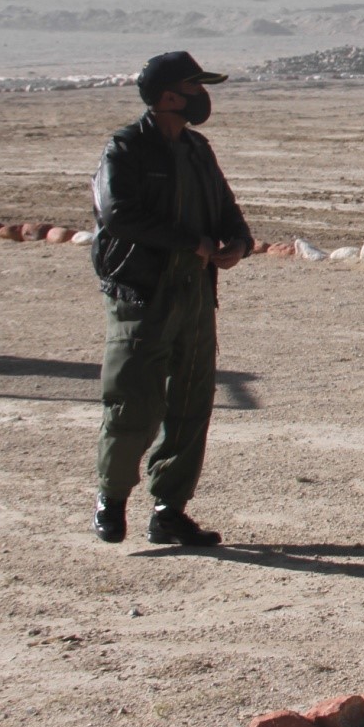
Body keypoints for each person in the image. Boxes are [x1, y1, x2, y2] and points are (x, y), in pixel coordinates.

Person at [89, 51, 253, 547]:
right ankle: (111, 499)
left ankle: (169, 508)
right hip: (143, 293)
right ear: (167, 97)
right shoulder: (126, 149)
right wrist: (190, 241)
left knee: (191, 400)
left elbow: (226, 208)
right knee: (132, 399)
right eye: (195, 87)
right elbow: (119, 214)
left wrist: (237, 244)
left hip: (195, 294)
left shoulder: (198, 150)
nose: (204, 97)